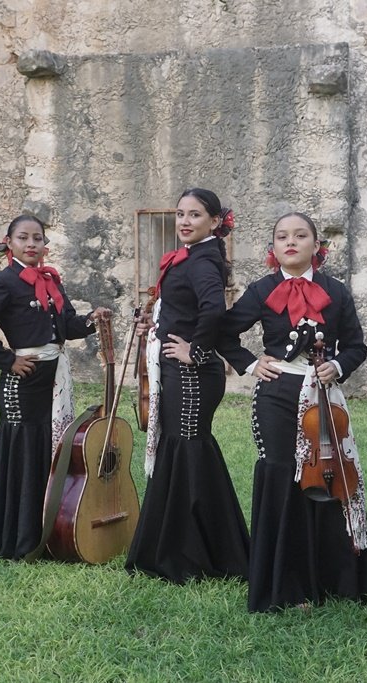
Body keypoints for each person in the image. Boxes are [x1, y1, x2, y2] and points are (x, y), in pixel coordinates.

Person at [217, 212, 367, 612]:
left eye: (300, 235)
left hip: (323, 396)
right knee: (281, 474)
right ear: (274, 248)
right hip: (276, 393)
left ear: (315, 245)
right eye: (282, 236)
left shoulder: (336, 291)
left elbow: (357, 346)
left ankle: (332, 578)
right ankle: (282, 583)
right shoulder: (262, 289)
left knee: (328, 476)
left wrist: (337, 366)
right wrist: (252, 364)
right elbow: (223, 332)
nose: (291, 241)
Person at [0, 214, 109, 561]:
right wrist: (7, 359)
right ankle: (16, 536)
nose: (31, 244)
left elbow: (67, 327)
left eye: (38, 238)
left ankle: (48, 531)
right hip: (24, 380)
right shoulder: (3, 281)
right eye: (23, 238)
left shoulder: (52, 281)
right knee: (25, 452)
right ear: (9, 243)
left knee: (50, 449)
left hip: (54, 378)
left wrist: (91, 320)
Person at [125, 188, 250, 583]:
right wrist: (157, 326)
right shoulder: (191, 257)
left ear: (215, 222)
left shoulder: (203, 260)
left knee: (188, 451)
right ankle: (201, 548)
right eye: (180, 214)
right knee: (184, 451)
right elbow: (187, 309)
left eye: (194, 215)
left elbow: (215, 309)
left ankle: (193, 555)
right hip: (182, 374)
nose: (184, 221)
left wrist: (195, 351)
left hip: (193, 375)